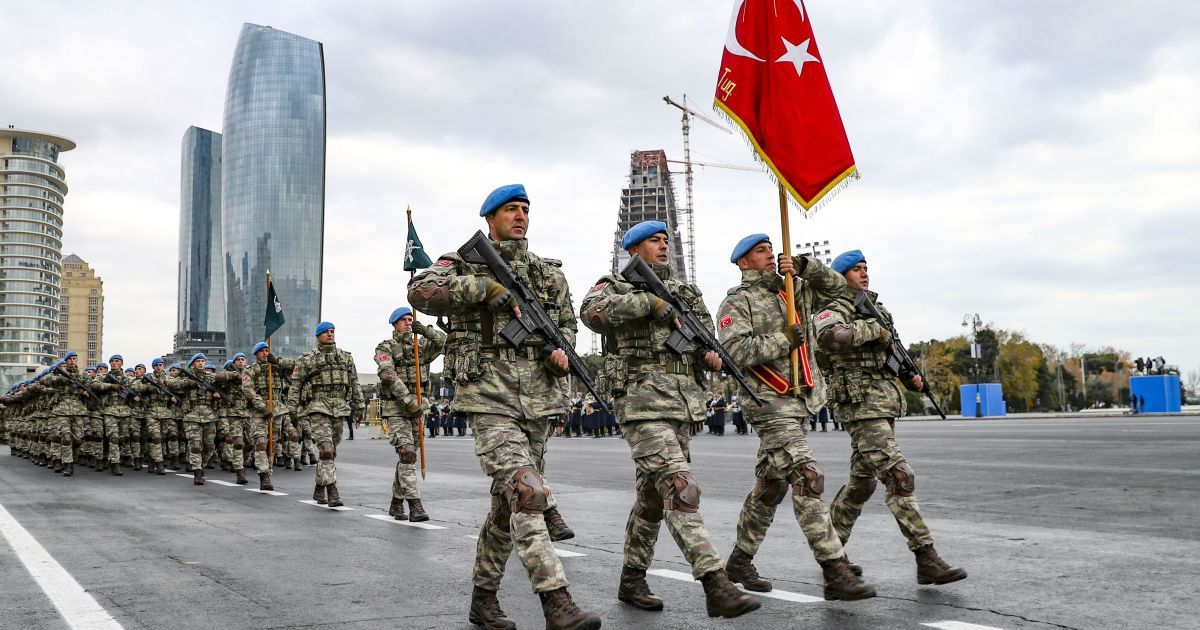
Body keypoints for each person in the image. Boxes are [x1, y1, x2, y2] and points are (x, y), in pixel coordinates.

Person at [409, 184, 597, 630]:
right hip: (488, 396)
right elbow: (419, 291)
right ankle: (556, 602)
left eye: (525, 209)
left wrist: (562, 352)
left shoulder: (548, 274)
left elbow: (566, 325)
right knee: (528, 491)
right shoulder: (461, 263)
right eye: (511, 209)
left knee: (506, 507)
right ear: (490, 219)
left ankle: (483, 598)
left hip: (539, 400)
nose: (520, 216)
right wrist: (483, 288)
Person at [581, 220, 760, 619]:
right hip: (641, 403)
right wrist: (649, 303)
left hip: (680, 406)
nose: (663, 246)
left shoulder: (686, 292)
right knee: (681, 488)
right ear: (633, 250)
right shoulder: (615, 284)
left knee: (651, 499)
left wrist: (709, 357)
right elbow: (591, 313)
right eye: (653, 241)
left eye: (665, 240)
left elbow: (703, 340)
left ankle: (632, 578)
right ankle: (715, 583)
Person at [716, 234, 874, 600]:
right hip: (768, 402)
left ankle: (739, 560)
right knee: (807, 475)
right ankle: (834, 569)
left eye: (771, 249)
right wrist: (784, 340)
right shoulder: (737, 301)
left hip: (799, 400)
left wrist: (804, 266)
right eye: (761, 251)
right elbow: (734, 351)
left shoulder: (794, 290)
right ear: (743, 262)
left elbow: (838, 289)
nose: (770, 255)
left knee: (771, 487)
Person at [816, 250, 967, 586]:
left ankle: (831, 555)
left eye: (865, 268)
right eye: (856, 269)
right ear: (840, 277)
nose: (864, 274)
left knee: (862, 484)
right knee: (899, 475)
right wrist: (874, 330)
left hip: (882, 402)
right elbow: (832, 337)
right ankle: (926, 556)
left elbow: (890, 352)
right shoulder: (832, 308)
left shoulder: (877, 308)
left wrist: (908, 375)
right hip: (860, 405)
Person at [375, 306, 445, 522]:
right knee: (406, 453)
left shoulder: (421, 346)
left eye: (410, 319)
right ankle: (415, 505)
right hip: (397, 408)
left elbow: (444, 343)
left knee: (409, 457)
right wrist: (408, 401)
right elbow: (388, 375)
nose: (408, 322)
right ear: (394, 324)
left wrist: (424, 330)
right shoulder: (385, 347)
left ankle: (396, 502)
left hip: (418, 408)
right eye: (404, 320)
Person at [288, 322, 365, 508]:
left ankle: (319, 487)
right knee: (326, 449)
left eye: (332, 331)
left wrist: (360, 405)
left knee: (330, 453)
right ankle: (332, 490)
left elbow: (354, 382)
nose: (330, 334)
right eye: (326, 332)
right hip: (318, 407)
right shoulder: (307, 359)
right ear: (318, 336)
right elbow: (296, 386)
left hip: (339, 407)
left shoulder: (345, 357)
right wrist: (292, 410)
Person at [165, 353, 233, 485]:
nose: (201, 363)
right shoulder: (186, 377)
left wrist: (217, 395)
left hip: (209, 416)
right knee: (195, 445)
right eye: (198, 361)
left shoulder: (210, 377)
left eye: (202, 361)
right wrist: (189, 383)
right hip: (191, 416)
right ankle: (198, 472)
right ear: (192, 364)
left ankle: (201, 465)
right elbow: (170, 383)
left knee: (209, 446)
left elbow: (224, 381)